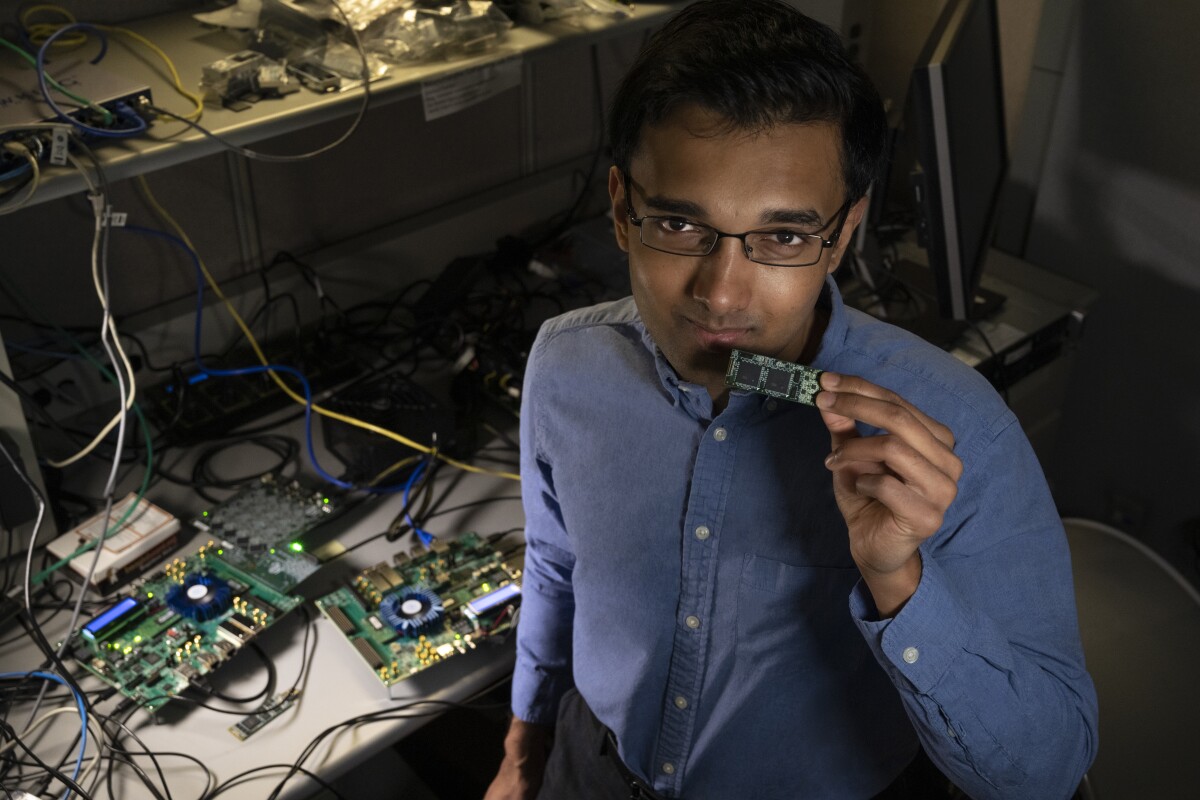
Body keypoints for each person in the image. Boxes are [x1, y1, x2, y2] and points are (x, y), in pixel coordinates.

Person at [485, 1, 1098, 797]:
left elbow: (1048, 773)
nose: (722, 293)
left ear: (842, 236)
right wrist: (521, 750)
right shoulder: (567, 363)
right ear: (620, 209)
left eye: (783, 237)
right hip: (591, 769)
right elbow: (556, 568)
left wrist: (900, 581)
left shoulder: (963, 425)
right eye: (679, 222)